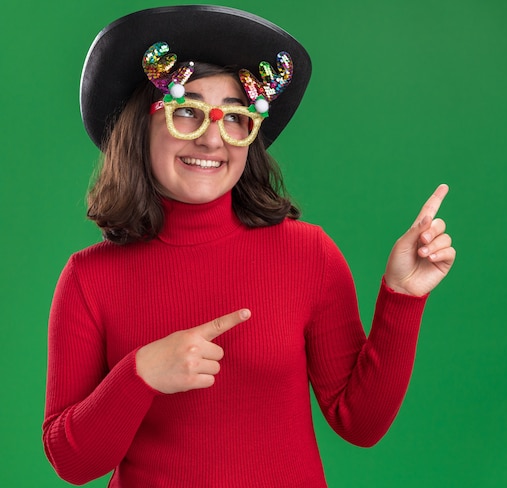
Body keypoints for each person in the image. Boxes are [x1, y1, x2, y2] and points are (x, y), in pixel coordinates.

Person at [43, 5, 455, 488]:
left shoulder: (309, 254)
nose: (213, 138)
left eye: (236, 118)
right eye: (188, 111)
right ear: (140, 127)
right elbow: (72, 463)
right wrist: (141, 374)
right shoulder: (89, 279)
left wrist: (402, 296)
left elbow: (359, 423)